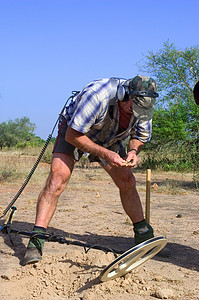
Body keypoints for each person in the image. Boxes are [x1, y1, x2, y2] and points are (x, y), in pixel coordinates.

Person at [23, 75, 159, 265]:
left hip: (110, 137)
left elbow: (141, 135)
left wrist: (133, 151)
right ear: (124, 95)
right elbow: (73, 135)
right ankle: (36, 242)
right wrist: (106, 154)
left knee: (127, 181)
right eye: (135, 108)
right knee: (57, 179)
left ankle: (143, 235)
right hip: (76, 132)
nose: (139, 113)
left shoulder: (144, 108)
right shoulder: (97, 96)